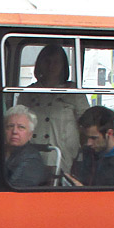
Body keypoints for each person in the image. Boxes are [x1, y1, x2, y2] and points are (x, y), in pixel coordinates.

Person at [18, 44, 88, 177]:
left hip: (63, 156)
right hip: (31, 154)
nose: (51, 66)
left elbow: (86, 125)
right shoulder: (28, 92)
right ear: (39, 64)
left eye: (56, 62)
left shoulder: (74, 92)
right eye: (47, 61)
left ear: (63, 65)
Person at [65, 105, 114, 187]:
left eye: (94, 138)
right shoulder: (88, 154)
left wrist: (84, 192)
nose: (88, 143)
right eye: (86, 138)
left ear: (109, 133)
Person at [0, 105, 48, 188]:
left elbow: (13, 191)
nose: (14, 131)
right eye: (10, 126)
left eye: (21, 127)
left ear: (30, 135)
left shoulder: (32, 160)